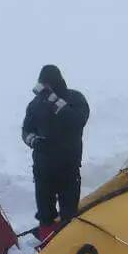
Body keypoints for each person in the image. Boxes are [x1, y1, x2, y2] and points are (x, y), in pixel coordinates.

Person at [22, 64, 89, 230]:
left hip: (68, 166)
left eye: (47, 84)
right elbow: (26, 130)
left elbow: (77, 121)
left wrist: (54, 101)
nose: (43, 88)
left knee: (69, 214)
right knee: (45, 215)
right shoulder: (35, 105)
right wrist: (34, 141)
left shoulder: (75, 98)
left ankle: (68, 243)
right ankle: (47, 244)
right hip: (43, 168)